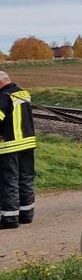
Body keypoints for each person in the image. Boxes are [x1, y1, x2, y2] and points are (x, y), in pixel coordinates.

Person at [0, 71, 36, 229]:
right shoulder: (23, 93)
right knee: (26, 179)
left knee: (9, 181)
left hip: (10, 146)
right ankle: (26, 214)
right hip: (28, 143)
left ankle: (10, 218)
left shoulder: (3, 96)